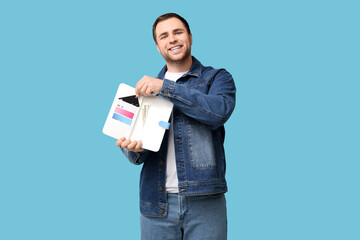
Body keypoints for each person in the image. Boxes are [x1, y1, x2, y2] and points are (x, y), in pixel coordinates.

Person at [116, 13, 236, 240]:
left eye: (178, 32)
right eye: (164, 36)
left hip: (205, 201)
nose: (172, 39)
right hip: (156, 204)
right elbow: (137, 157)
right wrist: (132, 149)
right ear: (158, 47)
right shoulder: (141, 92)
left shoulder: (217, 78)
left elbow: (218, 112)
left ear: (190, 37)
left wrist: (166, 87)